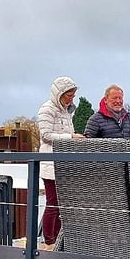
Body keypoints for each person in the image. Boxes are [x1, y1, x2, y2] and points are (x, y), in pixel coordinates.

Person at [37, 76, 83, 246]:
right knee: (53, 202)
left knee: (62, 203)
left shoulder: (66, 111)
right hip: (50, 163)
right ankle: (49, 239)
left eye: (73, 95)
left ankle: (58, 238)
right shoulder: (46, 109)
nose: (71, 98)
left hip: (63, 163)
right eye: (69, 95)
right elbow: (46, 136)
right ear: (60, 94)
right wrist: (70, 137)